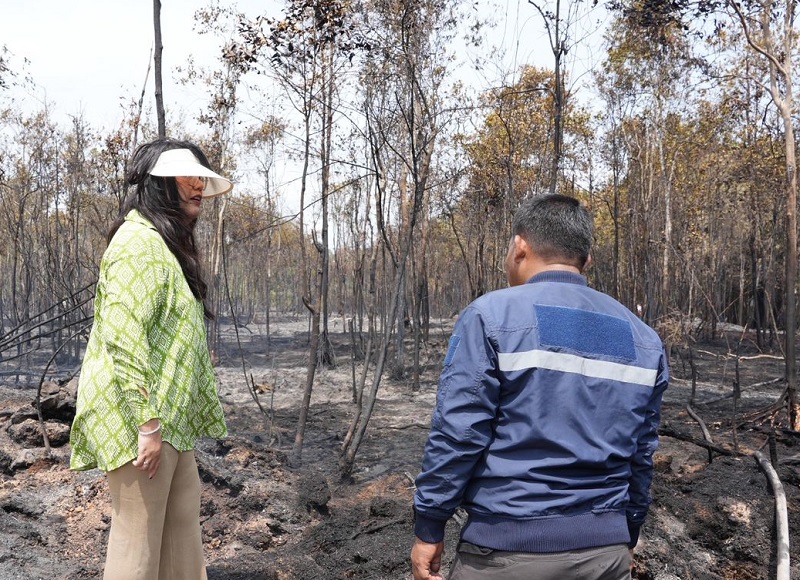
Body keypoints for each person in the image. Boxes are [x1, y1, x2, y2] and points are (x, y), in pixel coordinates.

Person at [411, 194, 669, 580]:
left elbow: (459, 433)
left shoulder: (491, 316)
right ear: (586, 260)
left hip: (506, 552)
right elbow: (642, 454)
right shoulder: (642, 338)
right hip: (605, 554)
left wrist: (430, 525)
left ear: (519, 247)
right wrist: (625, 533)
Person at [69, 138, 233, 580]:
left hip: (170, 422)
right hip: (140, 426)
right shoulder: (136, 243)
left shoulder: (163, 246)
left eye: (203, 178)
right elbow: (123, 338)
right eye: (190, 176)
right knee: (136, 554)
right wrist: (147, 424)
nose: (200, 185)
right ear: (161, 184)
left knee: (183, 548)